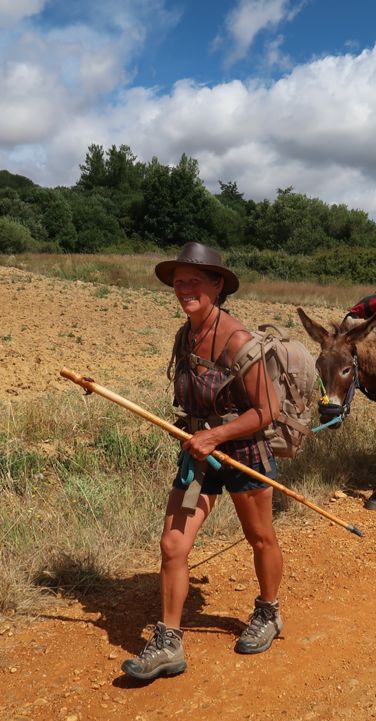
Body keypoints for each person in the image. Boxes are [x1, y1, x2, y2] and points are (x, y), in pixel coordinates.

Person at [122, 242, 283, 681]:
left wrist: (216, 434)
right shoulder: (185, 334)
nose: (184, 288)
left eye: (195, 281)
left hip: (242, 451)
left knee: (260, 538)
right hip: (199, 452)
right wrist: (202, 435)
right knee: (173, 545)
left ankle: (268, 612)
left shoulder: (239, 341)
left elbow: (266, 411)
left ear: (217, 285)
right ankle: (168, 642)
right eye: (178, 281)